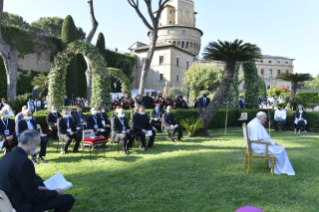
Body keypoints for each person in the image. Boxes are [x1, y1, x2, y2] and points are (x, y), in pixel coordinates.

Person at [0, 130, 75, 212]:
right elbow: (33, 196)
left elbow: (21, 181)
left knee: (40, 182)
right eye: (38, 145)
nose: (38, 148)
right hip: (23, 205)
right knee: (68, 199)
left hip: (9, 200)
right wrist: (55, 192)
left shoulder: (7, 156)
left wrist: (39, 187)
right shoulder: (24, 162)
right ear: (30, 143)